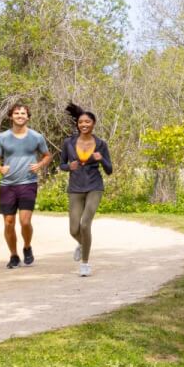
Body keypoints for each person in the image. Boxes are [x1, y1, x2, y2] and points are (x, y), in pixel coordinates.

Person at [0, 104, 52, 269]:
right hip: (8, 184)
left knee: (25, 222)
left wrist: (39, 165)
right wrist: (0, 168)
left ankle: (27, 247)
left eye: (23, 113)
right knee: (9, 222)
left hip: (28, 182)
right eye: (16, 113)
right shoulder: (2, 138)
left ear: (28, 117)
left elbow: (47, 156)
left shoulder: (36, 137)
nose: (20, 115)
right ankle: (14, 255)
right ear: (11, 116)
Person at [62, 101, 113, 277]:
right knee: (73, 229)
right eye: (81, 122)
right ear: (77, 124)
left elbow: (109, 170)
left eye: (87, 122)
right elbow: (62, 164)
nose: (84, 124)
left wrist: (101, 159)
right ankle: (83, 244)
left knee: (85, 224)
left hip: (94, 186)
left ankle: (85, 264)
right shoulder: (68, 142)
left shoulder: (101, 144)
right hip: (75, 187)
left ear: (93, 124)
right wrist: (69, 167)